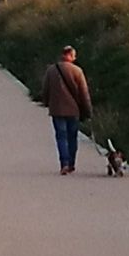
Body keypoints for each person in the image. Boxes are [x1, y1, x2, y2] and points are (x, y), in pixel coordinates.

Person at [36, 44, 93, 174]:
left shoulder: (51, 70)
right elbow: (84, 94)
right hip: (73, 110)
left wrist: (46, 102)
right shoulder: (77, 71)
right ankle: (71, 163)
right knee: (72, 137)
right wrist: (88, 110)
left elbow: (45, 89)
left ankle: (64, 164)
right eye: (74, 55)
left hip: (57, 109)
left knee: (61, 137)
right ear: (70, 56)